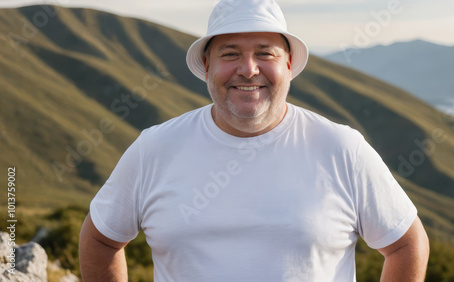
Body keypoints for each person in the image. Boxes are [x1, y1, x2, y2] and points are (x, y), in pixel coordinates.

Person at [79, 0, 429, 281]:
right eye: (230, 54)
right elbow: (100, 238)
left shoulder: (342, 148)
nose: (248, 69)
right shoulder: (153, 149)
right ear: (207, 64)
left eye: (265, 53)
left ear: (288, 64)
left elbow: (407, 243)